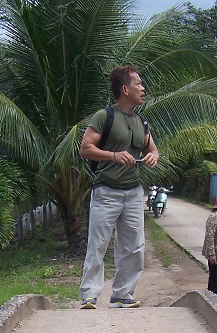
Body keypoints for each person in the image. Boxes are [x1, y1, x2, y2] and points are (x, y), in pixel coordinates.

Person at [78, 65, 159, 309]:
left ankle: (122, 294)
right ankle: (89, 295)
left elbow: (151, 148)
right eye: (138, 84)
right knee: (98, 244)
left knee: (134, 246)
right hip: (106, 191)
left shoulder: (141, 121)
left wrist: (154, 155)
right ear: (125, 89)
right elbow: (85, 148)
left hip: (133, 192)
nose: (143, 88)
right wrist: (113, 156)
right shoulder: (105, 116)